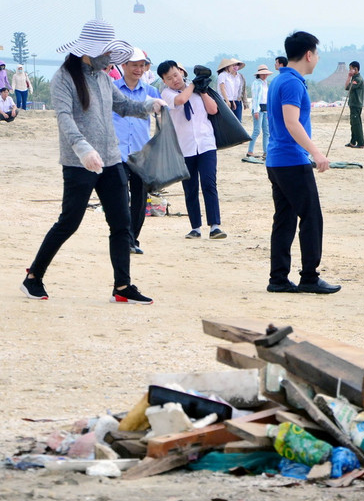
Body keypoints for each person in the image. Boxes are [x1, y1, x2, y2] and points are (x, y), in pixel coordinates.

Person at [21, 19, 164, 303]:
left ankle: (122, 287)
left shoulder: (102, 77)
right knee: (69, 222)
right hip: (79, 164)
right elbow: (64, 118)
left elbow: (123, 105)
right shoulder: (63, 78)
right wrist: (83, 149)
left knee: (122, 223)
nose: (110, 58)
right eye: (107, 53)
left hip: (111, 161)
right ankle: (33, 276)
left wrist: (150, 105)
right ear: (89, 50)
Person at [265, 31, 340, 294]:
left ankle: (278, 278)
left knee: (284, 218)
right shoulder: (293, 83)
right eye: (317, 54)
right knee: (311, 218)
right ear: (308, 54)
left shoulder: (279, 79)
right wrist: (316, 154)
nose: (317, 58)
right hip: (291, 160)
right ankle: (309, 276)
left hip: (276, 160)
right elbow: (291, 121)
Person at [158, 61, 227, 240]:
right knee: (190, 188)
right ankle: (195, 227)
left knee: (209, 183)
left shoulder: (196, 88)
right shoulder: (166, 94)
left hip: (206, 143)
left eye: (176, 75)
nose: (174, 80)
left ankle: (215, 226)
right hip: (184, 147)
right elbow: (180, 100)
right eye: (169, 78)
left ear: (181, 72)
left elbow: (213, 110)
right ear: (164, 81)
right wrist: (194, 85)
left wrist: (202, 91)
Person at [113, 47, 161, 254]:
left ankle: (133, 238)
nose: (139, 69)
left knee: (141, 200)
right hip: (117, 152)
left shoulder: (151, 92)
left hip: (142, 153)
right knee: (121, 199)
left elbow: (163, 118)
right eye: (134, 65)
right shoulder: (112, 89)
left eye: (142, 65)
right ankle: (124, 238)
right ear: (123, 65)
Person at [244, 64, 272, 163]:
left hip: (265, 108)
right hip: (258, 108)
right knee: (257, 130)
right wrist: (256, 110)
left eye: (265, 74)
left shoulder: (265, 83)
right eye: (262, 74)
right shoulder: (256, 83)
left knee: (266, 131)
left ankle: (266, 151)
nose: (264, 76)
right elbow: (255, 98)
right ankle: (250, 151)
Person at [345, 61, 364, 149]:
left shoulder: (358, 79)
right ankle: (353, 141)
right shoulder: (354, 78)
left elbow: (348, 87)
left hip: (356, 104)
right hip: (353, 104)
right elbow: (346, 87)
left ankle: (361, 143)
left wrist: (349, 76)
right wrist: (350, 76)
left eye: (351, 69)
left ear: (355, 69)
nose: (350, 71)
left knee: (356, 124)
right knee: (353, 123)